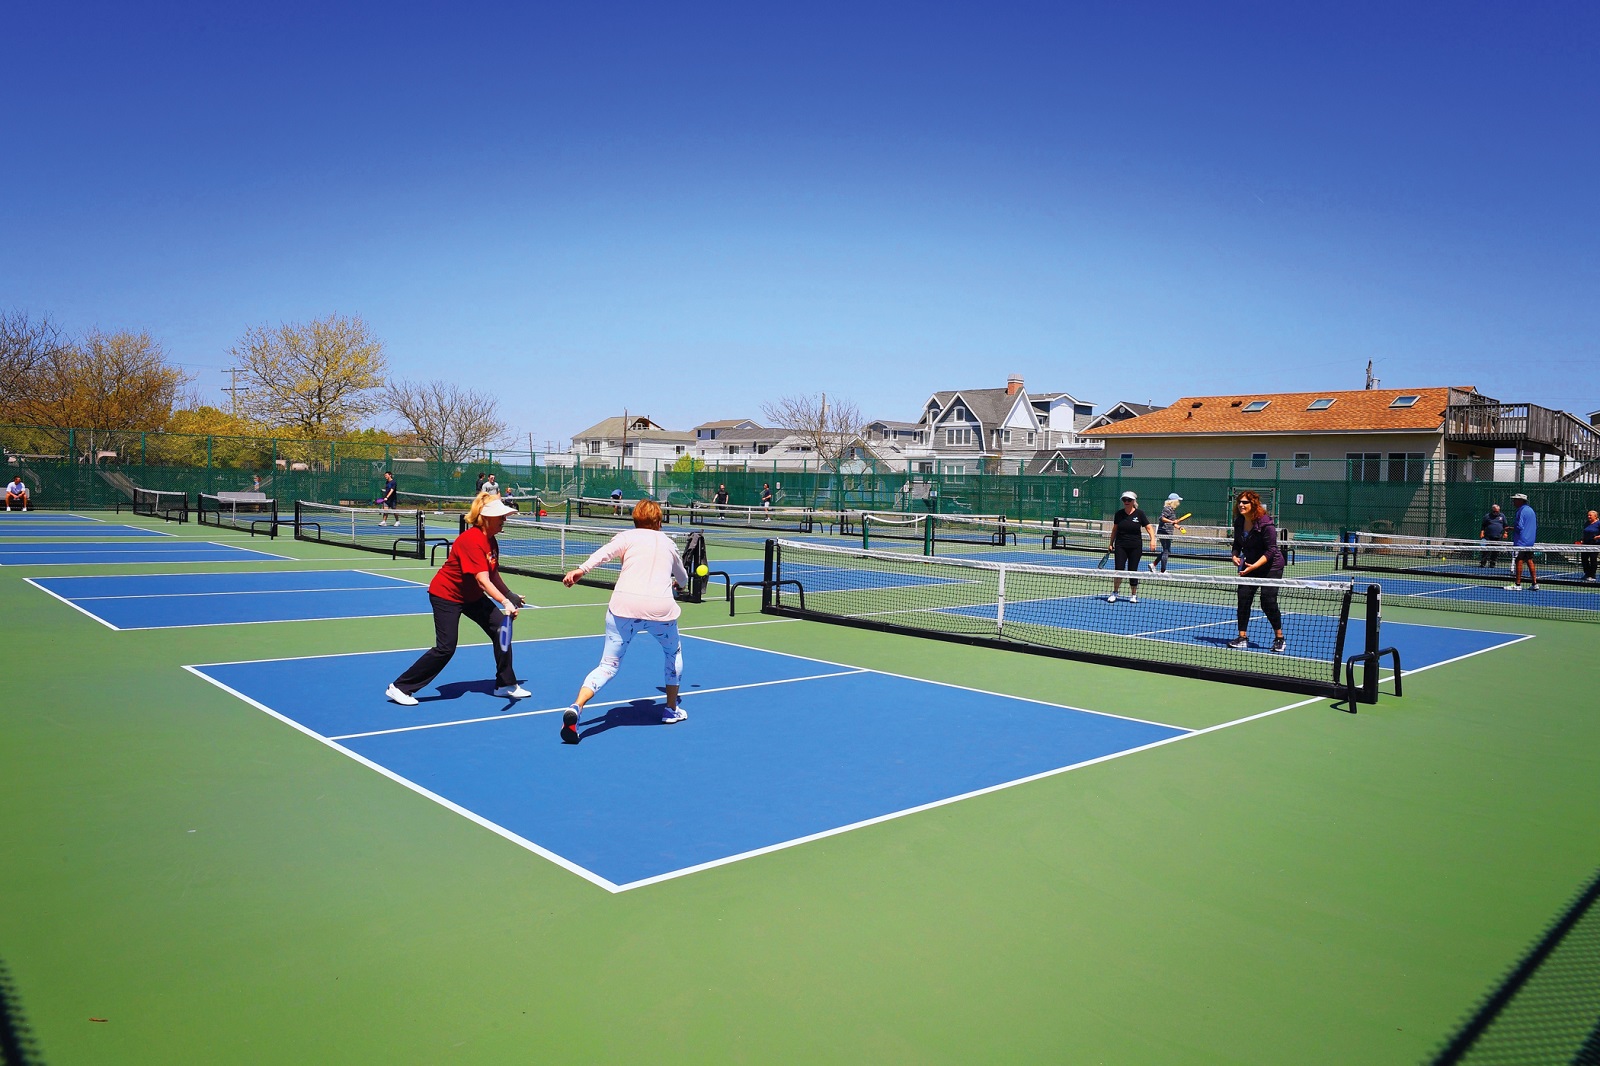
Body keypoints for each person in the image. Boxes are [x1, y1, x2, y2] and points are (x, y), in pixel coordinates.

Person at [558, 499, 689, 744]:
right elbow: (682, 579)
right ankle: (671, 709)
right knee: (673, 653)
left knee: (608, 666)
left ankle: (577, 706)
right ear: (659, 521)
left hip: (623, 608)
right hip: (660, 611)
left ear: (635, 520)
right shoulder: (669, 543)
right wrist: (677, 584)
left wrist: (580, 571)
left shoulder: (626, 537)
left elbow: (603, 554)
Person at [386, 492, 530, 706]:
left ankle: (504, 684)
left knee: (501, 628)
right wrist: (505, 603)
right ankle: (400, 687)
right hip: (446, 595)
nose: (505, 520)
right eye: (501, 516)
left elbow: (492, 574)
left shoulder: (491, 542)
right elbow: (483, 581)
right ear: (488, 518)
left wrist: (509, 595)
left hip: (471, 597)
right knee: (446, 647)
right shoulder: (471, 540)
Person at [1228, 490, 1287, 653]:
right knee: (1244, 598)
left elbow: (1271, 550)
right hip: (1250, 565)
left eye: (1245, 502)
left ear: (1254, 504)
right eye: (1240, 502)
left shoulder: (1266, 524)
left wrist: (1254, 566)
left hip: (1271, 566)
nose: (1241, 504)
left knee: (1268, 602)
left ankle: (1279, 638)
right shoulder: (1239, 522)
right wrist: (1234, 555)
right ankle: (1242, 637)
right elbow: (1237, 544)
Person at [1105, 491, 1158, 603]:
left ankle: (1133, 595)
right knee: (1118, 569)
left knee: (1132, 570)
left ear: (1134, 501)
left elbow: (1149, 528)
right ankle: (1115, 592)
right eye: (1124, 500)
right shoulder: (1119, 514)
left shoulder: (1140, 514)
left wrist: (1153, 540)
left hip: (1135, 547)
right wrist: (1111, 543)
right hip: (1120, 546)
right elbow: (1115, 529)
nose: (1126, 502)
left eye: (1129, 500)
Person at [1506, 492, 1539, 591]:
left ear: (1521, 501)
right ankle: (1534, 583)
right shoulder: (1531, 510)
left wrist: (1511, 528)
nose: (1513, 502)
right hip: (1530, 541)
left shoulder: (1521, 511)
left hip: (1521, 541)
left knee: (1518, 560)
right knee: (1529, 560)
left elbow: (1520, 526)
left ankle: (1518, 584)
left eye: (1515, 500)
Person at [1149, 492, 1182, 573]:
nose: (1179, 502)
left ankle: (1153, 564)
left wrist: (1179, 527)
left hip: (1168, 533)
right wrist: (1172, 521)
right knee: (1166, 551)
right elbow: (1162, 518)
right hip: (1164, 532)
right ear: (1174, 501)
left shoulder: (1172, 510)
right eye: (1178, 500)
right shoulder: (1167, 508)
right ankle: (1163, 571)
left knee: (1166, 551)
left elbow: (1172, 522)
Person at [1479, 503, 1509, 568]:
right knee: (1486, 550)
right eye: (1495, 511)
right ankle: (1483, 563)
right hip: (1488, 537)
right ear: (1492, 510)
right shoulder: (1487, 516)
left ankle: (1492, 563)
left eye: (1498, 511)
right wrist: (1482, 532)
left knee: (1495, 551)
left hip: (1498, 537)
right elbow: (1483, 526)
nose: (1496, 512)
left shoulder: (1502, 516)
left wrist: (1505, 533)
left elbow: (1506, 526)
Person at [1577, 509, 1599, 583]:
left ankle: (1592, 575)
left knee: (1593, 559)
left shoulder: (1599, 523)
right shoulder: (1587, 523)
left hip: (1595, 544)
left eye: (1590, 515)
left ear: (1595, 516)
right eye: (1588, 515)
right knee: (1584, 558)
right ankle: (1587, 574)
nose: (1588, 516)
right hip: (1586, 544)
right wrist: (1582, 539)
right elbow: (1585, 532)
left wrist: (1598, 537)